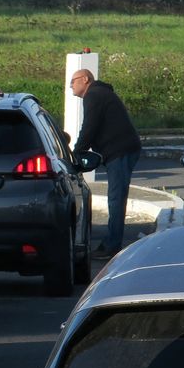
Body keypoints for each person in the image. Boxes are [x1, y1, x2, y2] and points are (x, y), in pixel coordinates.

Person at [69, 69, 142, 256]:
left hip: (120, 151)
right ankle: (111, 241)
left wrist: (76, 152)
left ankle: (112, 245)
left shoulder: (93, 94)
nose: (70, 85)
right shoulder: (100, 93)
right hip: (121, 150)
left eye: (73, 81)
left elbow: (89, 126)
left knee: (116, 198)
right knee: (116, 197)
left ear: (85, 80)